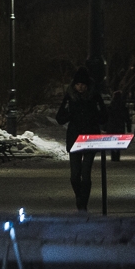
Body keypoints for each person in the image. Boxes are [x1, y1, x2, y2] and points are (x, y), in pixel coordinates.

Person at [56, 67, 108, 212]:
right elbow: (59, 118)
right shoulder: (70, 97)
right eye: (78, 84)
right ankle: (80, 198)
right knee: (74, 176)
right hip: (74, 138)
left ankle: (82, 205)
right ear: (74, 85)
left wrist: (94, 115)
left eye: (83, 85)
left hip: (90, 138)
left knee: (85, 174)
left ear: (88, 85)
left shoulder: (94, 97)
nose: (80, 87)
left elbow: (104, 116)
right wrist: (70, 114)